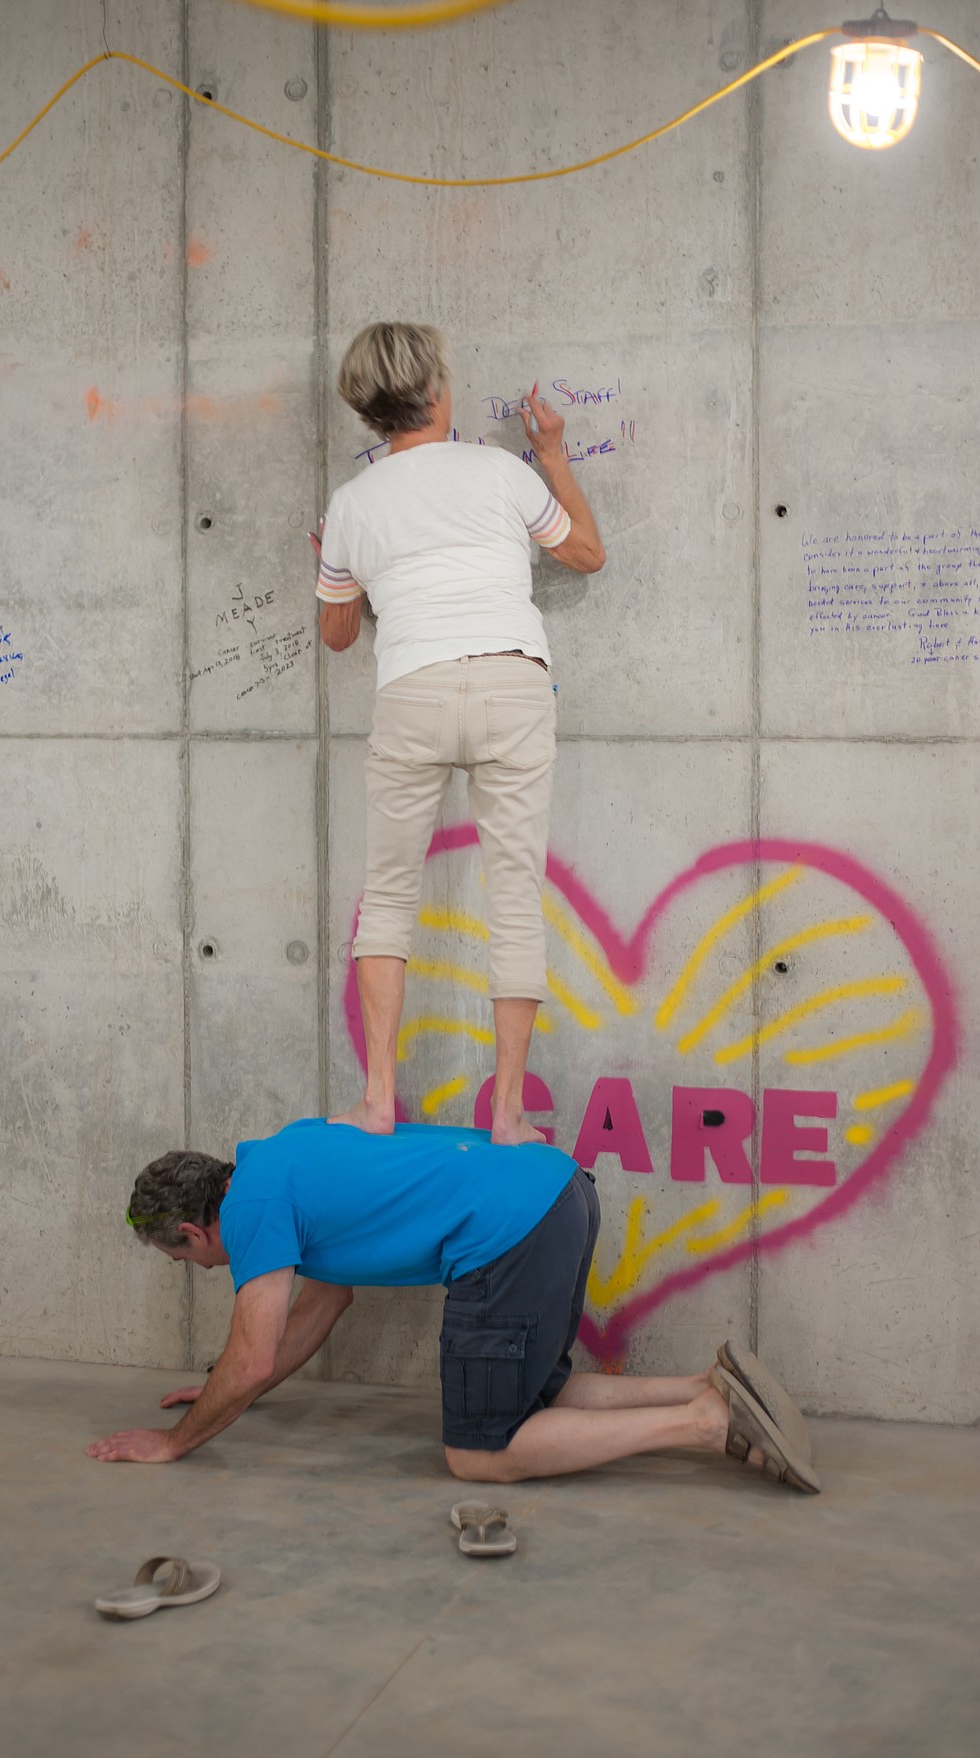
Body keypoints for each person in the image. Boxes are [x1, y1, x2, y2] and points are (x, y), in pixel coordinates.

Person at [87, 1122, 820, 1495]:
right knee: (538, 1391)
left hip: (505, 1232)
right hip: (558, 1191)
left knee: (480, 1453)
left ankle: (706, 1426)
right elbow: (318, 1308)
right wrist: (226, 1384)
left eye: (187, 1261)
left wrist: (177, 1439)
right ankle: (702, 1386)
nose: (205, 1269)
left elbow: (250, 1357)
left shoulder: (251, 1211)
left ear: (191, 1230)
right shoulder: (281, 1155)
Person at [315, 323, 607, 1146]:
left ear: (372, 412)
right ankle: (510, 1114)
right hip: (514, 682)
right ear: (438, 392)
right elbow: (586, 552)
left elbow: (339, 635)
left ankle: (378, 1102)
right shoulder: (497, 470)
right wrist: (550, 454)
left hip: (414, 688)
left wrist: (336, 573)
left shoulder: (351, 504)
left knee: (390, 898)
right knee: (514, 898)